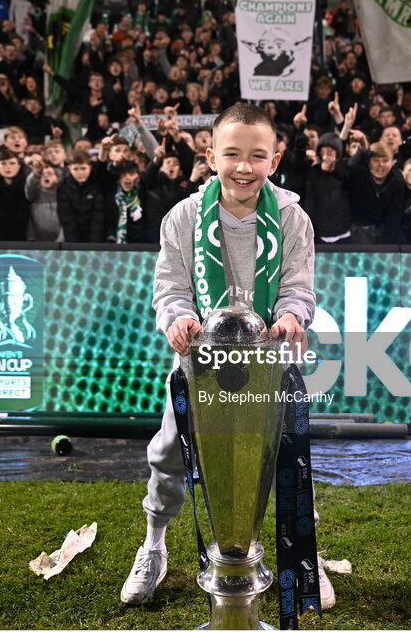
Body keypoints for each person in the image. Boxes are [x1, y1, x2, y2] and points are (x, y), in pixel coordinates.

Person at [121, 103, 330, 608]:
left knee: (288, 458)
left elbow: (299, 289)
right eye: (232, 154)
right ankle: (154, 544)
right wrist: (176, 317)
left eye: (257, 156)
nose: (243, 167)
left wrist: (291, 316)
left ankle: (305, 553)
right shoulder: (184, 217)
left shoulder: (293, 218)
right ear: (210, 154)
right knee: (171, 453)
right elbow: (169, 288)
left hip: (271, 362)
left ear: (274, 161)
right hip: (201, 364)